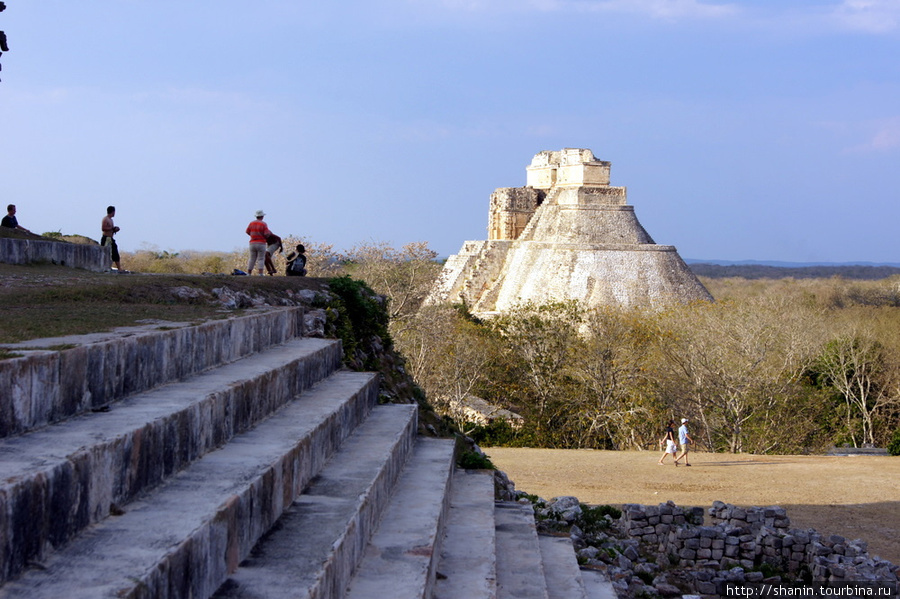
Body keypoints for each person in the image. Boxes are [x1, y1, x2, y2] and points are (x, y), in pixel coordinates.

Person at [245, 210, 271, 276]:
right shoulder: (263, 224)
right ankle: (260, 273)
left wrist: (253, 235)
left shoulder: (251, 223)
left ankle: (249, 273)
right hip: (261, 243)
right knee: (261, 258)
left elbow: (247, 231)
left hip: (252, 243)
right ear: (262, 216)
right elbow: (266, 234)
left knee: (252, 258)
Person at [101, 205, 123, 272]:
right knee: (105, 253)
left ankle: (119, 268)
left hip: (111, 238)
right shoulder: (105, 219)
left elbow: (111, 229)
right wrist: (112, 228)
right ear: (112, 212)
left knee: (115, 252)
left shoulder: (111, 220)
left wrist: (115, 229)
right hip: (106, 239)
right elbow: (103, 228)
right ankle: (104, 267)